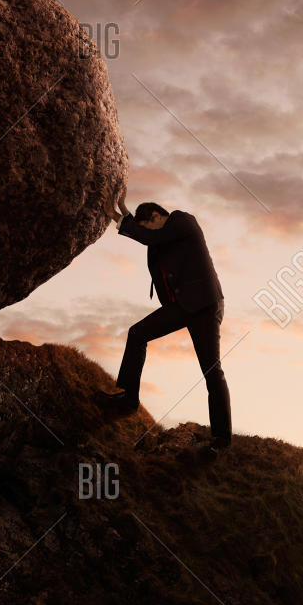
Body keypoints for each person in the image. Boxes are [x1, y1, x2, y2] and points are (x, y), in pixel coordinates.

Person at [100, 195, 232, 458]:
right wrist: (125, 212)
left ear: (158, 217)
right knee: (137, 333)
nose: (147, 234)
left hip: (204, 305)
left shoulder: (183, 221)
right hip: (182, 307)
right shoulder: (160, 239)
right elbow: (147, 237)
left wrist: (118, 216)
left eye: (147, 226)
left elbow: (149, 237)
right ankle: (129, 398)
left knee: (212, 371)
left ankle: (222, 439)